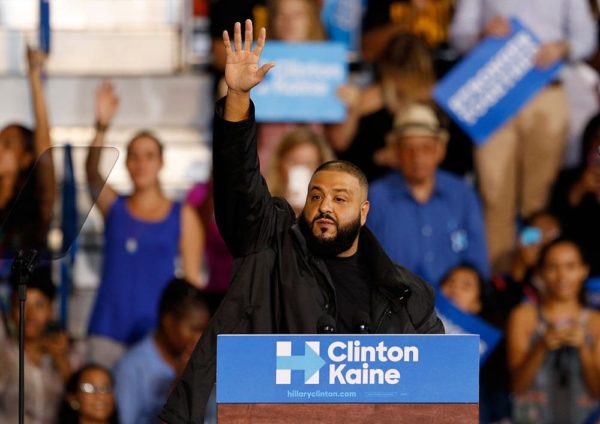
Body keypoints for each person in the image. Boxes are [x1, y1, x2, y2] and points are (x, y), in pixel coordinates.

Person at [159, 20, 444, 423]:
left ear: (364, 212)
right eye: (316, 196)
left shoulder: (407, 294)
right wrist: (238, 97)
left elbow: (439, 393)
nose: (325, 206)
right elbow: (240, 187)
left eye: (340, 199)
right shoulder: (272, 249)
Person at [450, 0, 598, 273]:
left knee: (539, 202)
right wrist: (479, 37)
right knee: (495, 199)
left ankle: (538, 279)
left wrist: (563, 48)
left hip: (544, 88)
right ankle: (501, 281)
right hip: (495, 92)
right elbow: (459, 34)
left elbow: (586, 37)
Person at [85, 81, 203, 368]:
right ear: (126, 164)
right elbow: (91, 172)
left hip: (156, 337)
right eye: (134, 156)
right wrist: (101, 125)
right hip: (107, 329)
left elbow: (192, 284)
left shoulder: (183, 215)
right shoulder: (115, 206)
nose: (141, 164)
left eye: (149, 156)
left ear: (162, 162)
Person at [367, 102, 490, 287]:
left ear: (440, 151)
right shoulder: (376, 197)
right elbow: (364, 264)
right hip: (394, 306)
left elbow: (477, 264)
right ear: (396, 151)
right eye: (409, 149)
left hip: (451, 309)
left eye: (426, 148)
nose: (417, 157)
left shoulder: (462, 194)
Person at [507, 239, 600, 423]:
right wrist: (540, 346)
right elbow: (516, 387)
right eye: (552, 267)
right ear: (541, 273)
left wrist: (583, 348)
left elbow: (597, 391)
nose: (562, 275)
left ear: (584, 270)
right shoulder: (523, 316)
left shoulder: (596, 322)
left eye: (570, 266)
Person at [113, 279, 210, 424]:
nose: (198, 339)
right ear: (168, 321)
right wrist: (180, 385)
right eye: (193, 329)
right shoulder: (130, 368)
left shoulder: (204, 362)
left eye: (203, 331)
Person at [0, 267, 76, 424]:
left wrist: (61, 361)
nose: (30, 315)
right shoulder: (4, 354)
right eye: (22, 306)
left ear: (51, 310)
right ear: (11, 313)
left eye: (39, 305)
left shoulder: (69, 354)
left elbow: (79, 404)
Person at [0, 46, 54, 265]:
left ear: (26, 158)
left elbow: (44, 145)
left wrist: (34, 77)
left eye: (8, 145)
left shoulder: (36, 204)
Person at [549, 113, 600, 277]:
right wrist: (578, 190)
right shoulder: (568, 178)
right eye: (598, 138)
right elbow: (553, 222)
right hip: (572, 268)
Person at [265, 126, 335, 214]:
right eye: (293, 162)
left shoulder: (331, 212)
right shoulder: (263, 205)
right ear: (279, 163)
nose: (300, 170)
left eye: (309, 164)